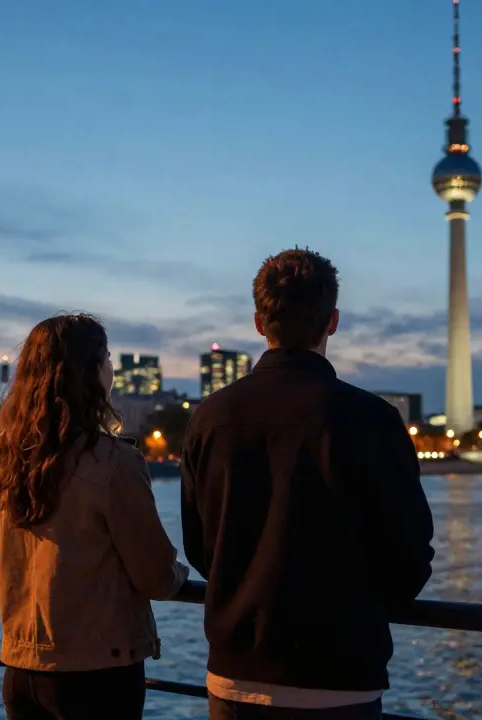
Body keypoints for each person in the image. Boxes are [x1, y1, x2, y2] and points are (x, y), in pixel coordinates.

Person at [181, 249, 436, 719]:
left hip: (237, 679)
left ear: (260, 323)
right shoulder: (374, 421)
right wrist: (357, 604)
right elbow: (409, 560)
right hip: (340, 679)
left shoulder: (210, 418)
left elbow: (200, 548)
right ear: (332, 321)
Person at [0, 313, 189, 720]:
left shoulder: (9, 461)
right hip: (95, 673)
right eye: (107, 358)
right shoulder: (114, 462)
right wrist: (182, 574)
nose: (112, 368)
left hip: (22, 667)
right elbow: (155, 575)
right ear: (90, 372)